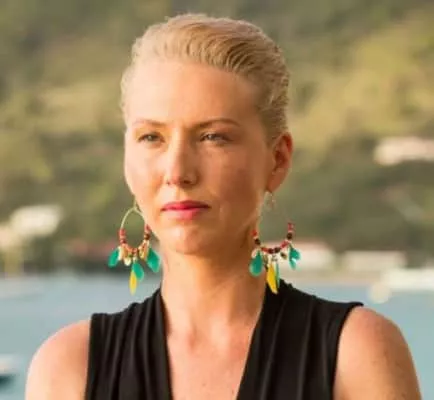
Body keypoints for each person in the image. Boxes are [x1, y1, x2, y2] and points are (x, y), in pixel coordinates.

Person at [26, 13, 421, 400]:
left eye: (213, 137)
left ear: (277, 160)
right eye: (151, 137)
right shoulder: (69, 368)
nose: (177, 172)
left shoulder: (355, 353)